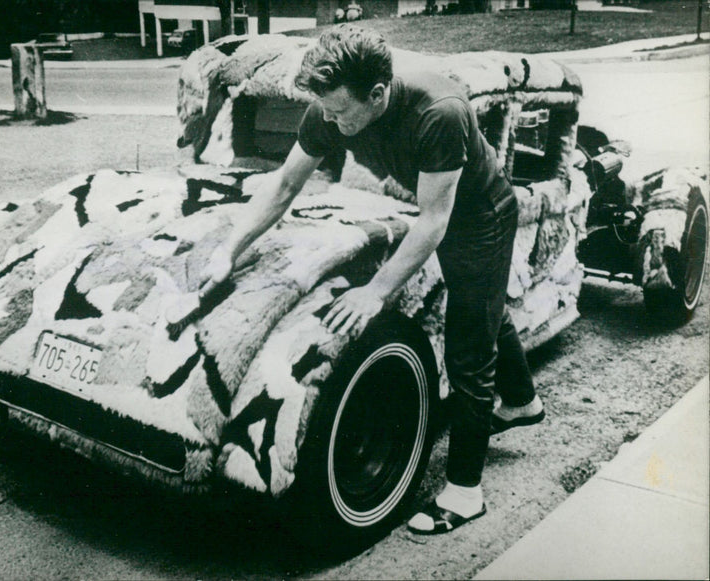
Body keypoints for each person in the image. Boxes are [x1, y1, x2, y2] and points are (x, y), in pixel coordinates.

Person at [198, 24, 545, 534]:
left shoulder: (439, 112)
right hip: (440, 210)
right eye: (327, 111)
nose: (331, 122)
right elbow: (286, 184)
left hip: (481, 216)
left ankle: (465, 492)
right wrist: (230, 248)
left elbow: (433, 222)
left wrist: (376, 290)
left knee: (468, 343)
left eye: (341, 112)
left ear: (378, 94)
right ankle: (524, 403)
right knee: (484, 306)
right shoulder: (329, 105)